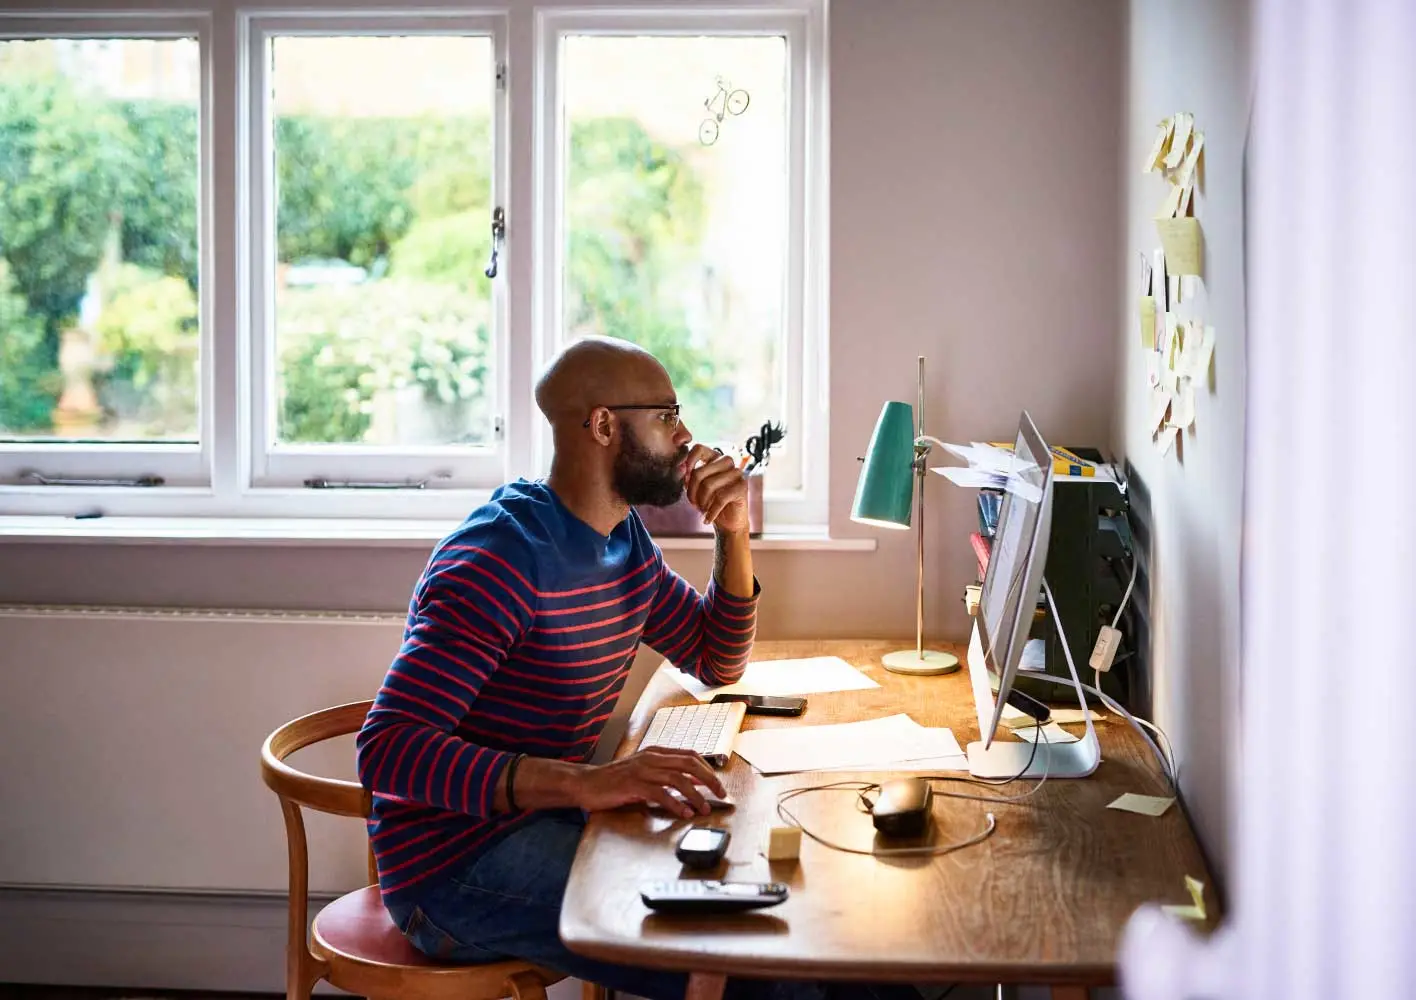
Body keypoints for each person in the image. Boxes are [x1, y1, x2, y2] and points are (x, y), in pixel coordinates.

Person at [355, 336, 763, 1000]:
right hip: (453, 869)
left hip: (545, 826)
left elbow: (716, 659)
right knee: (747, 960)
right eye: (665, 416)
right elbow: (386, 751)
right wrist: (588, 784)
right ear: (604, 425)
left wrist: (733, 528)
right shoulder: (500, 560)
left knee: (772, 923)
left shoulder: (621, 540)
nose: (685, 436)